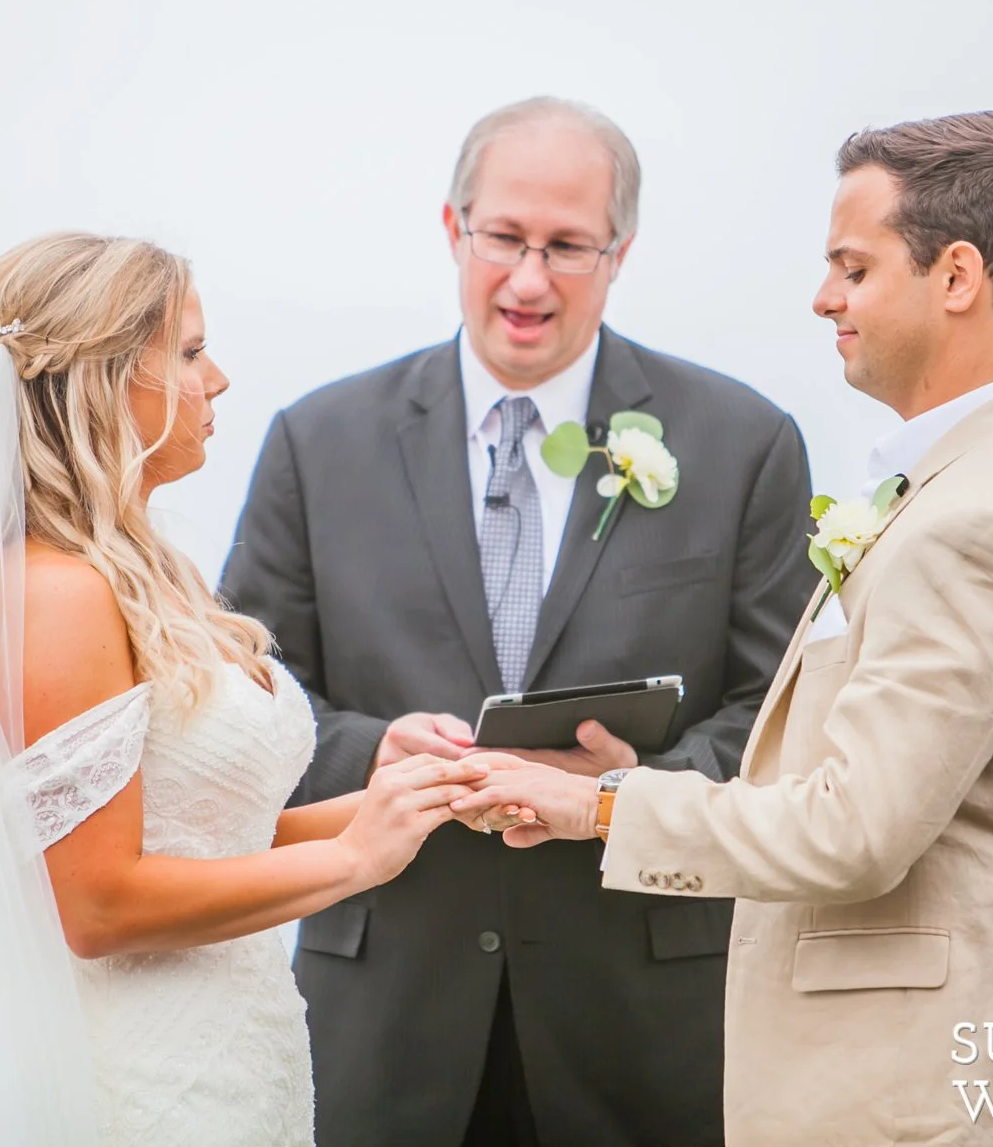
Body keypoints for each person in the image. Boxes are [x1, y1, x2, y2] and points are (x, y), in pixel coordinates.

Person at [454, 112, 993, 1146]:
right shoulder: (970, 485)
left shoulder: (978, 521)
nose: (824, 297)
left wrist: (598, 807)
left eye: (853, 268)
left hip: (936, 1092)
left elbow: (852, 831)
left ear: (957, 277)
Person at [221, 97, 815, 1146]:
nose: (530, 280)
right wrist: (378, 753)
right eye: (503, 237)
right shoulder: (319, 443)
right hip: (389, 1013)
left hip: (643, 1021)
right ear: (454, 229)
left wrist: (625, 792)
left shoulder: (742, 442)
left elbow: (781, 715)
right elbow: (245, 703)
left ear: (620, 253)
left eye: (568, 247)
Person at [0, 232, 493, 1147]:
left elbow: (212, 837)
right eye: (190, 352)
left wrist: (414, 800)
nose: (217, 380)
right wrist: (353, 860)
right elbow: (98, 906)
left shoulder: (147, 571)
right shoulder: (56, 593)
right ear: (102, 379)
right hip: (150, 1081)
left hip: (243, 1058)